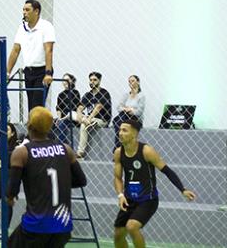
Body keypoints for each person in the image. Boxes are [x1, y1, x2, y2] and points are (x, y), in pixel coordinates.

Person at [7, 107, 87, 248]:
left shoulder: (21, 153)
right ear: (51, 126)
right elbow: (81, 180)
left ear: (29, 125)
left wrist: (10, 197)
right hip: (63, 226)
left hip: (36, 226)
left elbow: (12, 190)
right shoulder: (66, 149)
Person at [113, 118, 196, 248]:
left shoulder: (146, 151)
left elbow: (167, 171)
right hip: (129, 199)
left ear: (134, 134)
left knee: (132, 227)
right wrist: (120, 195)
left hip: (148, 200)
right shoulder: (118, 153)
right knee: (118, 234)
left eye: (124, 130)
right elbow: (117, 178)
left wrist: (183, 189)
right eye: (120, 130)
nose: (120, 133)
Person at [6, 0, 56, 111]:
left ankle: (39, 128)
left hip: (42, 71)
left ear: (36, 11)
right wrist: (7, 72)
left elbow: (49, 50)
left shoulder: (46, 26)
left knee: (36, 106)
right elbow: (15, 50)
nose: (24, 12)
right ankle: (35, 128)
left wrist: (48, 73)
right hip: (28, 72)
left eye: (27, 10)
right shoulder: (21, 28)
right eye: (23, 10)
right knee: (31, 107)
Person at [0, 123, 19, 239]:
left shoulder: (16, 145)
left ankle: (3, 231)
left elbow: (13, 159)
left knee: (7, 205)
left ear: (12, 133)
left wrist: (0, 160)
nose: (4, 133)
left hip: (9, 179)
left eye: (7, 130)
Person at [75, 72, 112, 159]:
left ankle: (80, 152)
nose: (92, 82)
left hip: (102, 120)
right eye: (91, 80)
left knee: (84, 125)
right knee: (81, 119)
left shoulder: (104, 93)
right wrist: (79, 115)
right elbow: (80, 107)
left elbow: (98, 107)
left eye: (95, 80)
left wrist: (88, 118)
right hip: (89, 119)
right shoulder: (88, 94)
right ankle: (88, 122)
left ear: (99, 81)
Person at [111, 75, 146, 150]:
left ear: (138, 82)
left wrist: (128, 109)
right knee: (121, 117)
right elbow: (118, 107)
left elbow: (139, 112)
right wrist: (129, 109)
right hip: (124, 116)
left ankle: (118, 147)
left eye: (133, 81)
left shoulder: (141, 96)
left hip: (135, 119)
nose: (131, 83)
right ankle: (119, 146)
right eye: (129, 81)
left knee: (118, 120)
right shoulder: (126, 95)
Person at [53, 74, 81, 146]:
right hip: (63, 116)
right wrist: (59, 118)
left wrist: (62, 119)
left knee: (62, 123)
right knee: (51, 122)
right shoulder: (61, 95)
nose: (65, 82)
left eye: (67, 80)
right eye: (64, 80)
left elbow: (76, 107)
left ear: (72, 81)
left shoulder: (75, 93)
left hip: (71, 117)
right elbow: (59, 108)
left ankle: (60, 145)